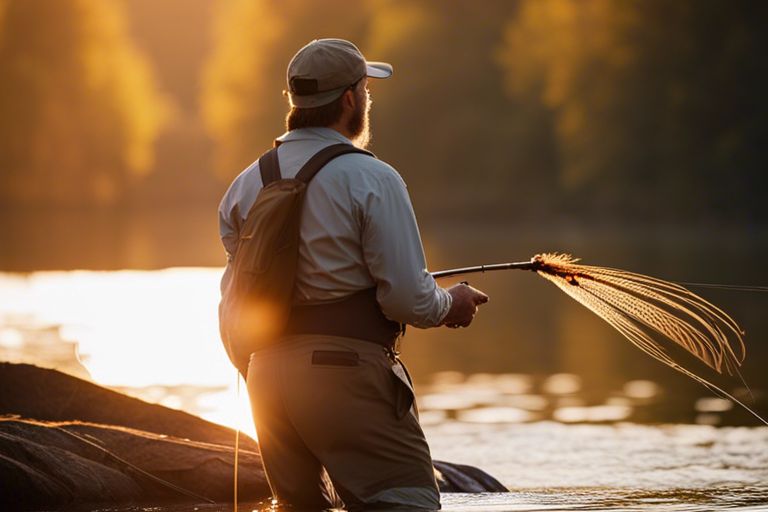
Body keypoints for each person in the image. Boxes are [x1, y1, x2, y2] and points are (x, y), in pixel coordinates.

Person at [218, 38, 489, 511]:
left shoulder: (244, 186)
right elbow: (407, 299)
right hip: (344, 375)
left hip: (264, 378)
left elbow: (231, 303)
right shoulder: (373, 178)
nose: (367, 98)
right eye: (366, 89)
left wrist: (258, 369)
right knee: (407, 503)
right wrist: (452, 303)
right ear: (350, 99)